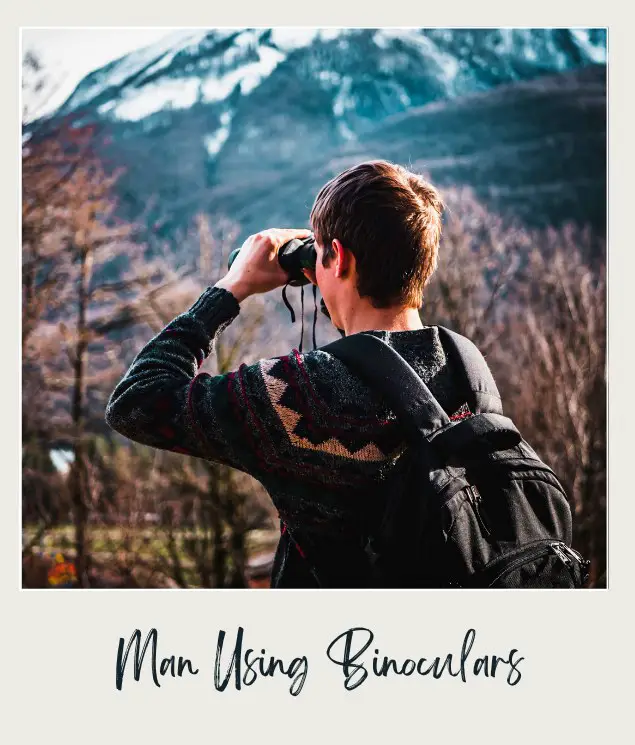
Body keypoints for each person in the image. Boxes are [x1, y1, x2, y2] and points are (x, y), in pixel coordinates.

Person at [105, 160, 479, 588]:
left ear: (337, 258)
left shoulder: (305, 400)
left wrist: (231, 288)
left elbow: (137, 401)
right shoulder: (466, 372)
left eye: (320, 254)